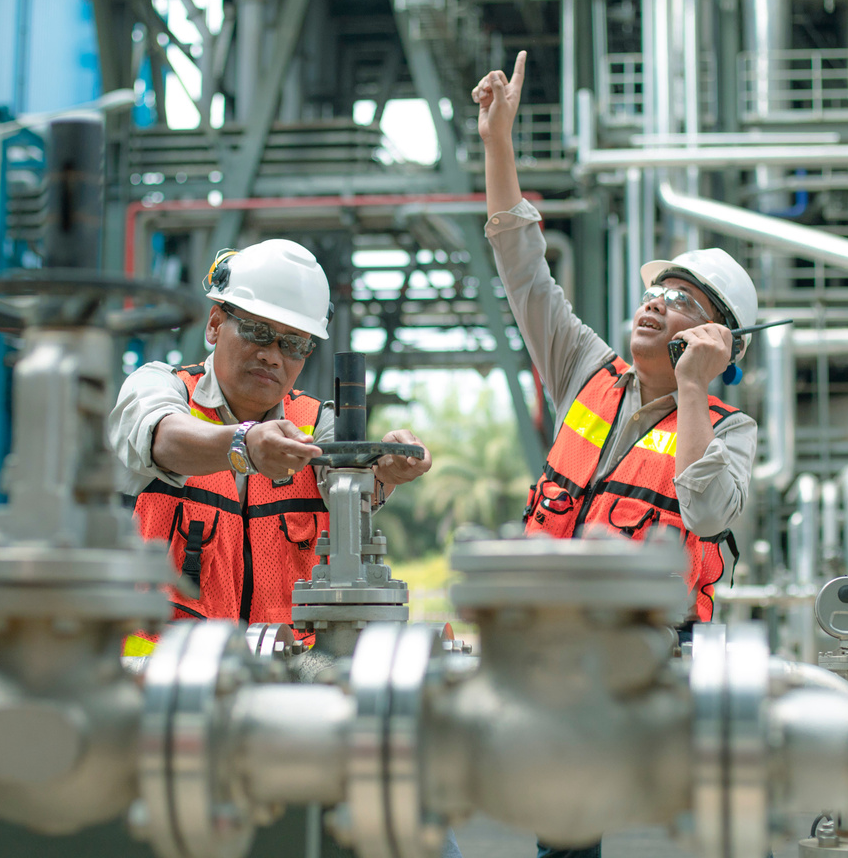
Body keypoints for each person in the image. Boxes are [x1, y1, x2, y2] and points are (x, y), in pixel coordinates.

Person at [475, 54, 758, 858]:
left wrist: (698, 391)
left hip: (663, 663)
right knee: (566, 832)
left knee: (726, 828)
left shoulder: (731, 427)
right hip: (559, 652)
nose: (653, 305)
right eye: (655, 292)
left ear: (714, 340)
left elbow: (704, 511)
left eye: (680, 302)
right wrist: (500, 144)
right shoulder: (586, 369)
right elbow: (524, 268)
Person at [109, 239, 432, 656]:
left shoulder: (316, 424)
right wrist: (242, 444)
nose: (272, 356)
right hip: (160, 681)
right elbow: (161, 438)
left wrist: (383, 471)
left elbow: (349, 478)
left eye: (293, 344)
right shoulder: (159, 387)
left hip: (283, 684)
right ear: (213, 325)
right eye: (258, 332)